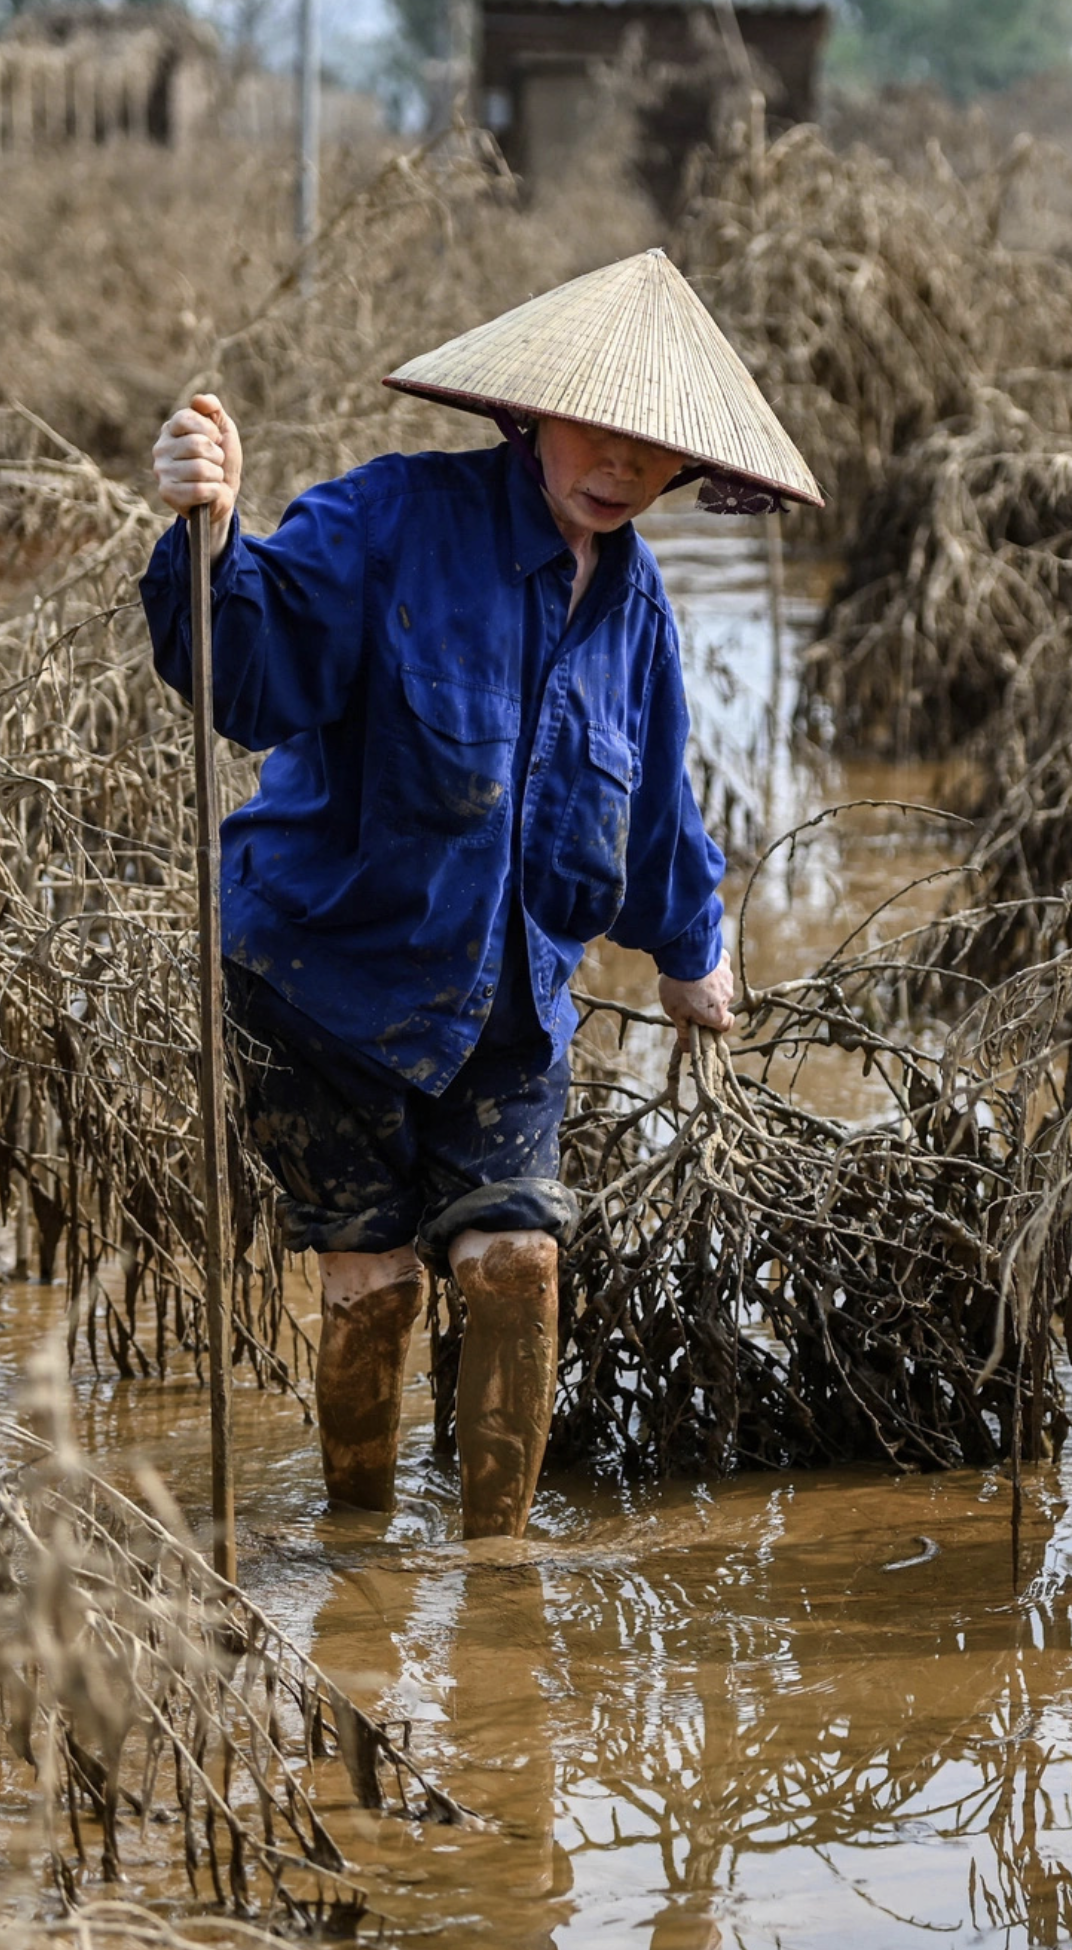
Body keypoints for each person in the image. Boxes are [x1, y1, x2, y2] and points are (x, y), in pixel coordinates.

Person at [142, 250, 821, 1540]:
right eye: (597, 432)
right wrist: (212, 532)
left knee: (519, 1264)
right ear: (530, 413)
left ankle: (496, 1573)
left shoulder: (638, 611)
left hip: (508, 1000)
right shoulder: (396, 520)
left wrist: (693, 950)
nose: (618, 468)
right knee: (378, 1284)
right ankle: (358, 1548)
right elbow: (254, 665)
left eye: (652, 451)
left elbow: (655, 808)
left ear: (685, 470)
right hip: (320, 980)